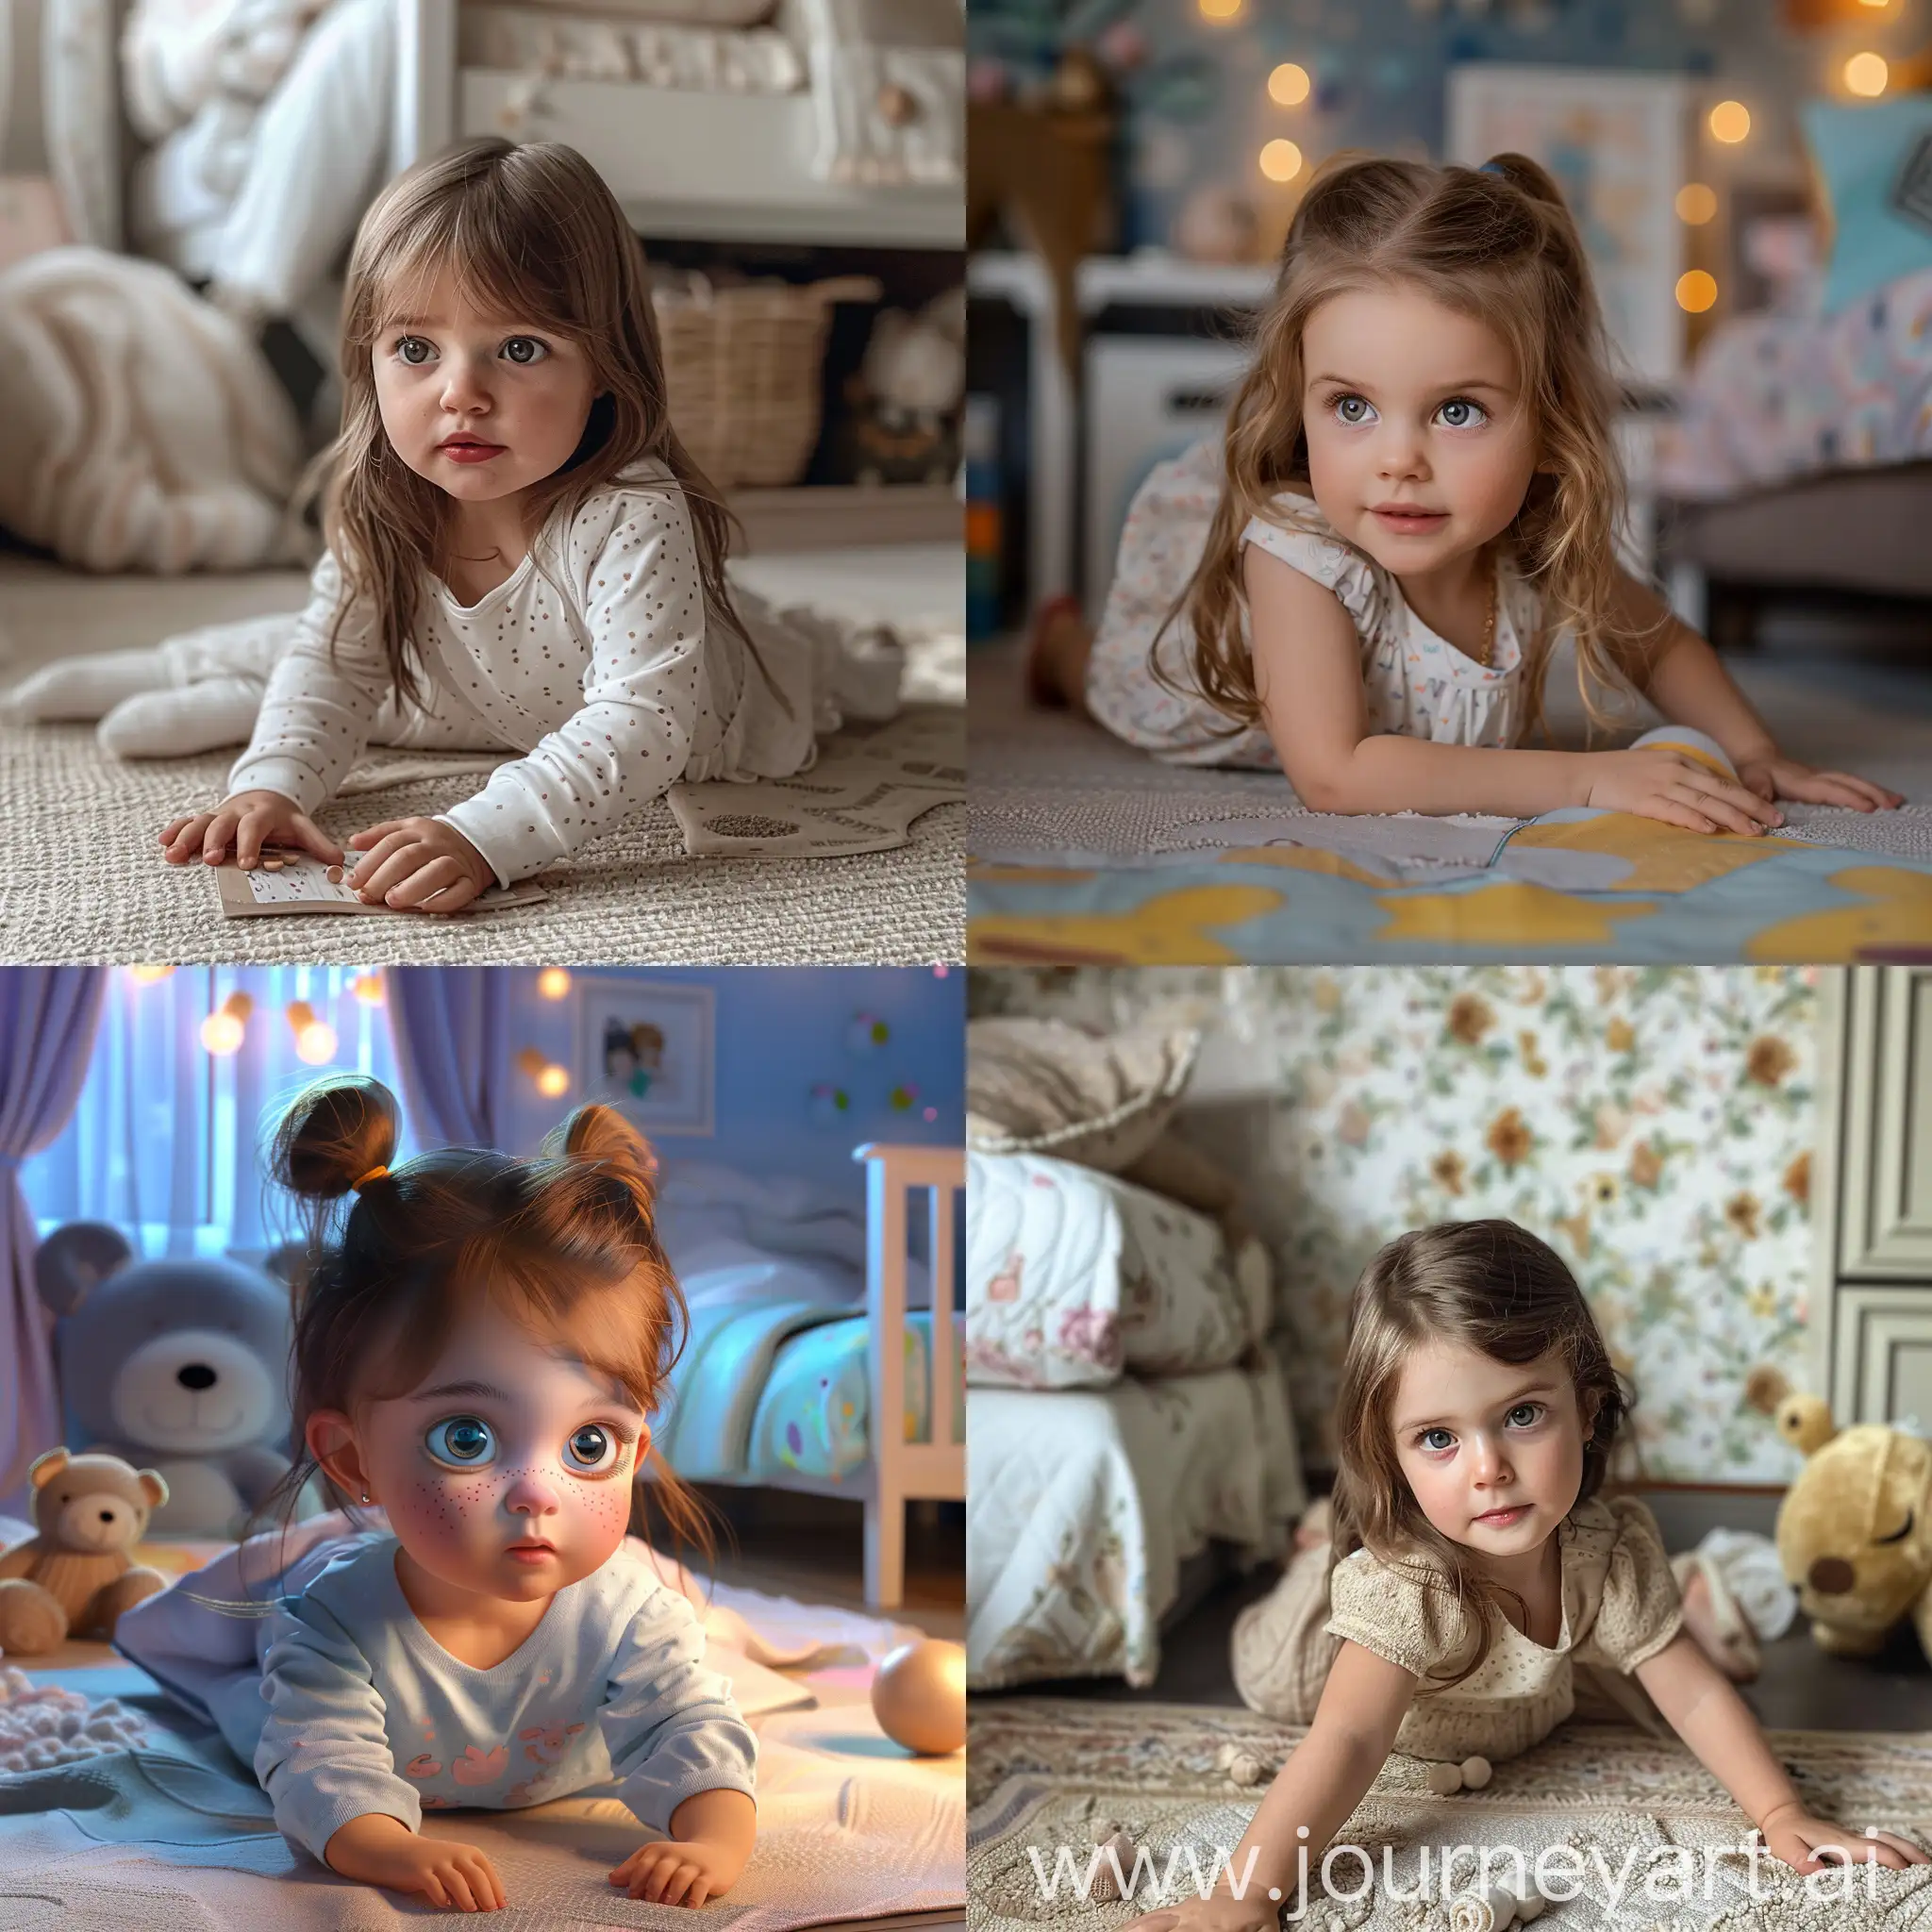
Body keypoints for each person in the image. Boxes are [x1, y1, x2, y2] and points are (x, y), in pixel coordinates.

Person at [9, 138, 897, 912]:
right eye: (416, 350)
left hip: (692, 706)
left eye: (518, 349)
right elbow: (333, 665)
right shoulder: (385, 498)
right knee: (339, 657)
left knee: (400, 695)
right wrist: (273, 785)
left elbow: (639, 724)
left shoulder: (632, 511)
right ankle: (178, 666)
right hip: (473, 691)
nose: (460, 392)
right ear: (370, 361)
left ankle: (221, 691)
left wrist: (483, 835)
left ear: (604, 367)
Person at [1033, 153, 1901, 835]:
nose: (1399, 459)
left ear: (1548, 419)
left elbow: (1662, 646)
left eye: (1457, 410)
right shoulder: (1301, 552)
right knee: (1109, 685)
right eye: (1352, 407)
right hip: (1197, 673)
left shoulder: (1529, 537)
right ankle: (1060, 646)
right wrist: (1587, 778)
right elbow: (1335, 773)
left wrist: (1754, 751)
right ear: (1299, 402)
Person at [1124, 1221, 1927, 1932]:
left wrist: (1782, 1810)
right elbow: (1350, 1736)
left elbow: (1695, 1690)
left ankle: (1682, 1595)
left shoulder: (1602, 1552)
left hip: (1510, 1701)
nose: (1490, 1470)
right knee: (1313, 1620)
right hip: (1304, 1659)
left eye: (1520, 1416)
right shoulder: (1409, 1588)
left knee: (1643, 1657)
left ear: (1584, 1408)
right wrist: (1245, 1892)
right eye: (1438, 1438)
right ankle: (1315, 1551)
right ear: (1393, 1458)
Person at [121, 1074, 758, 1914]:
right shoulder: (332, 1622)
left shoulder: (631, 1613)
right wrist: (386, 1846)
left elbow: (692, 1727)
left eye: (589, 1444)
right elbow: (318, 1760)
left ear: (638, 1445)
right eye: (467, 1439)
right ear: (351, 1460)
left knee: (725, 1656)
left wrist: (713, 1838)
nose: (537, 1492)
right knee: (246, 1717)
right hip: (318, 1623)